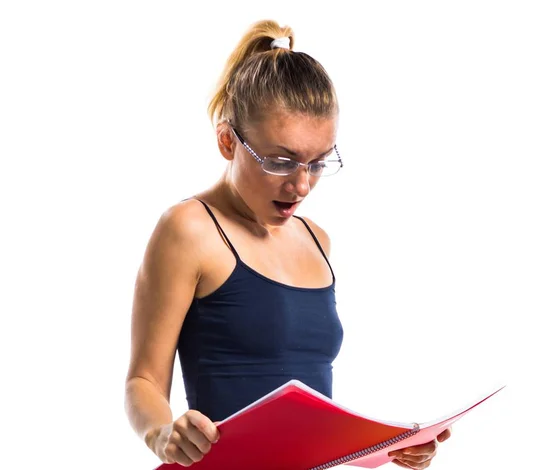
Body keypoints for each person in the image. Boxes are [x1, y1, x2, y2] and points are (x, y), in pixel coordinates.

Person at [124, 19, 451, 469]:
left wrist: (385, 448)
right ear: (227, 141)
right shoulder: (188, 229)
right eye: (281, 161)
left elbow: (305, 424)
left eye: (318, 163)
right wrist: (162, 435)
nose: (301, 186)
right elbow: (142, 379)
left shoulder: (317, 240)